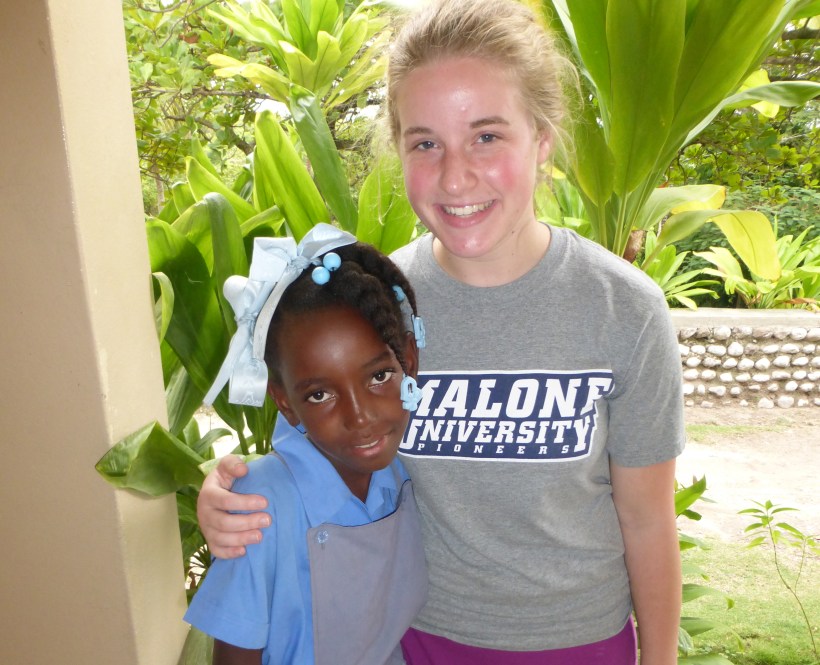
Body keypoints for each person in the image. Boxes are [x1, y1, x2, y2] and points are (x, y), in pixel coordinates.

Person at [197, 0, 685, 663]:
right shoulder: (373, 303)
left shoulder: (623, 308)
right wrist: (230, 501)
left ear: (542, 140)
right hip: (415, 639)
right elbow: (310, 455)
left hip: (580, 642)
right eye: (426, 143)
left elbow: (648, 520)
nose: (455, 176)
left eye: (487, 136)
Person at [185, 224, 428, 665]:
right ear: (285, 402)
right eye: (320, 395)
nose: (360, 417)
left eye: (378, 377)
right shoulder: (259, 505)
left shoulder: (395, 475)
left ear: (408, 362)